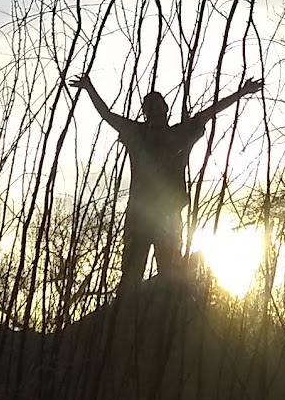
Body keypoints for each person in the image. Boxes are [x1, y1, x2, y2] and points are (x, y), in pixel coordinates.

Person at [70, 71, 262, 293]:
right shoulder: (138, 133)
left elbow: (210, 112)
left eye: (158, 106)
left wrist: (241, 92)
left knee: (169, 276)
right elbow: (107, 115)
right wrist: (89, 88)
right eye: (150, 108)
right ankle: (126, 317)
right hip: (140, 216)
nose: (156, 111)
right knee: (132, 275)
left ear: (166, 109)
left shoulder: (178, 134)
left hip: (168, 215)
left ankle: (164, 317)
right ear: (146, 113)